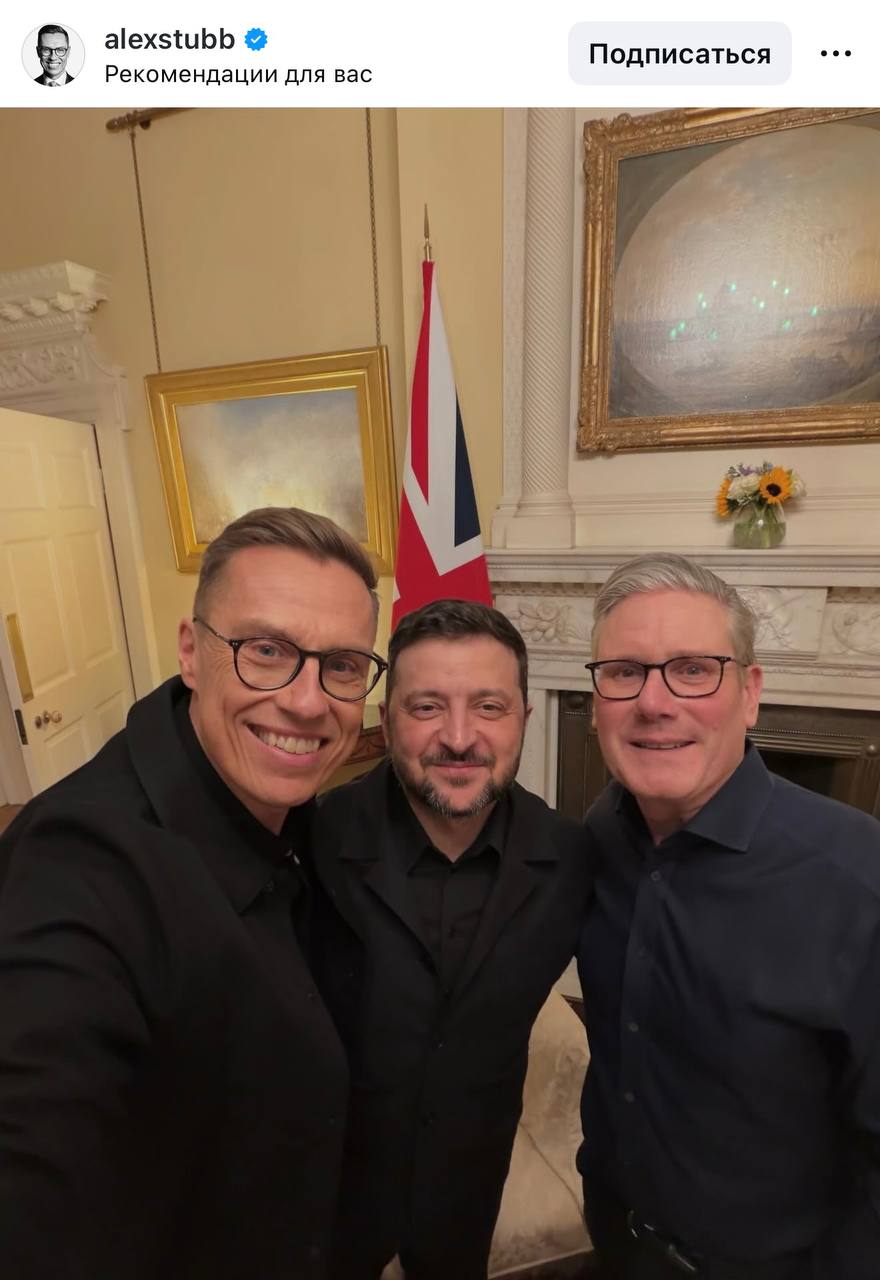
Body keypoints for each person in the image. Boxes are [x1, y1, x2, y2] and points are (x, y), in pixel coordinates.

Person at [0, 506, 386, 1280]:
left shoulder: (288, 808)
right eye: (265, 651)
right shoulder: (79, 865)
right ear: (190, 651)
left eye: (343, 665)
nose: (307, 701)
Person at [577, 553, 880, 1280]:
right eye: (624, 671)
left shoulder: (858, 882)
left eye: (693, 670)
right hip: (614, 1238)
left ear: (750, 694)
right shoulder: (595, 836)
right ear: (595, 702)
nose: (654, 702)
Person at [314, 599, 593, 1280]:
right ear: (387, 722)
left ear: (524, 719)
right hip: (329, 1178)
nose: (460, 737)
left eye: (489, 707)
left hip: (470, 1177)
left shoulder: (573, 859)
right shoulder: (311, 839)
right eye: (427, 707)